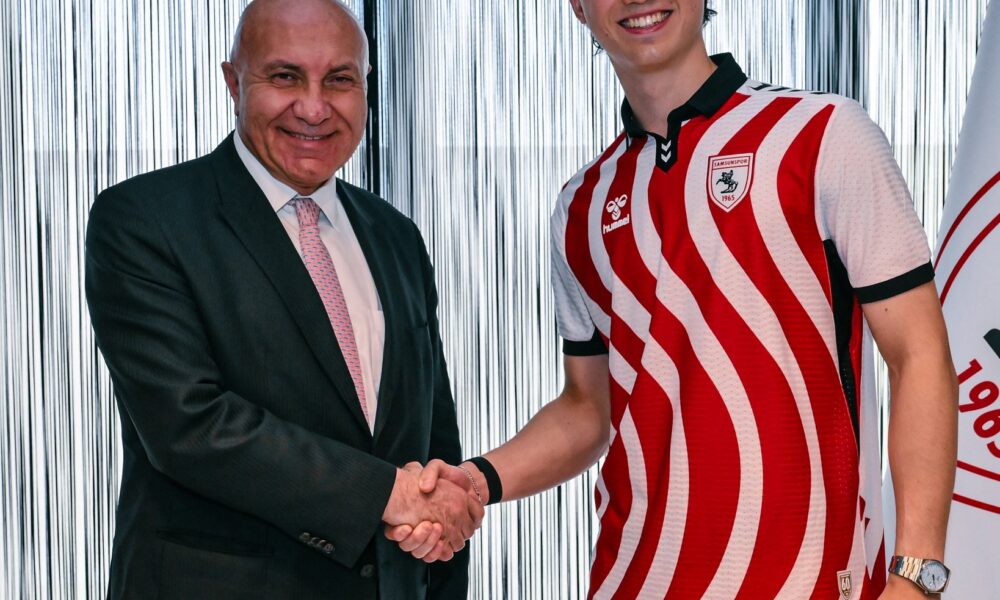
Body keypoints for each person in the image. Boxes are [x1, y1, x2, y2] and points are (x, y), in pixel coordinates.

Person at [391, 1, 958, 598]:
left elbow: (919, 354)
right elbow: (589, 409)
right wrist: (477, 480)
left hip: (807, 582)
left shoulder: (822, 134)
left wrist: (916, 578)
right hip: (633, 580)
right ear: (579, 7)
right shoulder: (580, 206)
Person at [85, 0, 480, 597]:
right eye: (286, 76)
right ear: (233, 82)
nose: (314, 108)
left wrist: (441, 527)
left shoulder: (396, 236)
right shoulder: (144, 220)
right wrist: (386, 495)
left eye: (339, 80)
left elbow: (432, 439)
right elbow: (189, 426)